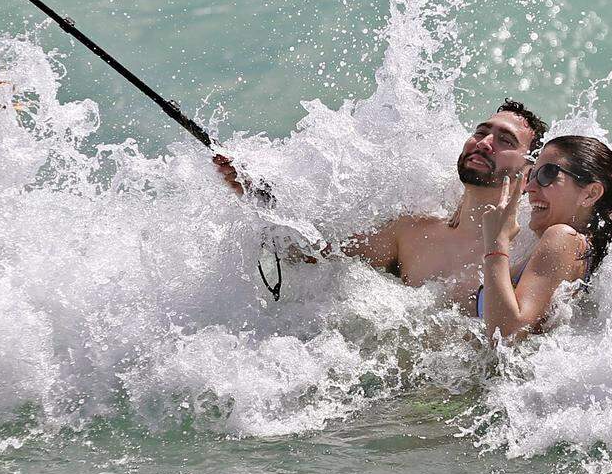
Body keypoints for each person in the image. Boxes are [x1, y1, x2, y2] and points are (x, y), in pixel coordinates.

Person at [214, 99, 547, 313]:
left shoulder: (530, 250)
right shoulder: (411, 233)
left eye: (505, 140)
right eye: (481, 132)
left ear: (529, 169)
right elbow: (317, 256)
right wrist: (257, 196)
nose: (485, 143)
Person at [478, 135, 612, 341]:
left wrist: (496, 243)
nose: (529, 187)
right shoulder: (575, 250)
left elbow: (507, 335)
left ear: (590, 194)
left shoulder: (563, 237)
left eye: (547, 174)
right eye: (531, 174)